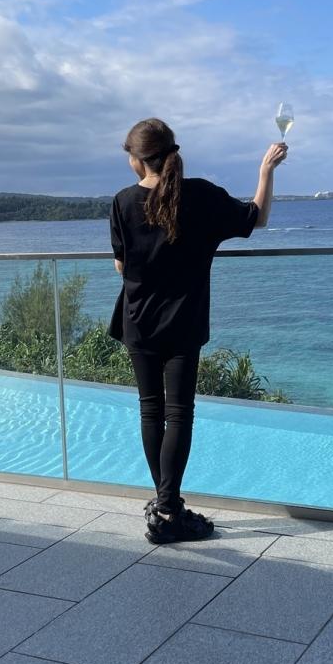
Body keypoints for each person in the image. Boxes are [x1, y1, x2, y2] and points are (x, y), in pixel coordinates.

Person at [109, 117, 288, 544]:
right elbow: (257, 219)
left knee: (150, 411)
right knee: (178, 413)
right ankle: (168, 509)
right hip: (183, 323)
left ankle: (165, 505)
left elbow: (121, 265)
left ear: (138, 160)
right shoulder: (201, 196)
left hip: (138, 321)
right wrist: (266, 170)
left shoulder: (122, 202)